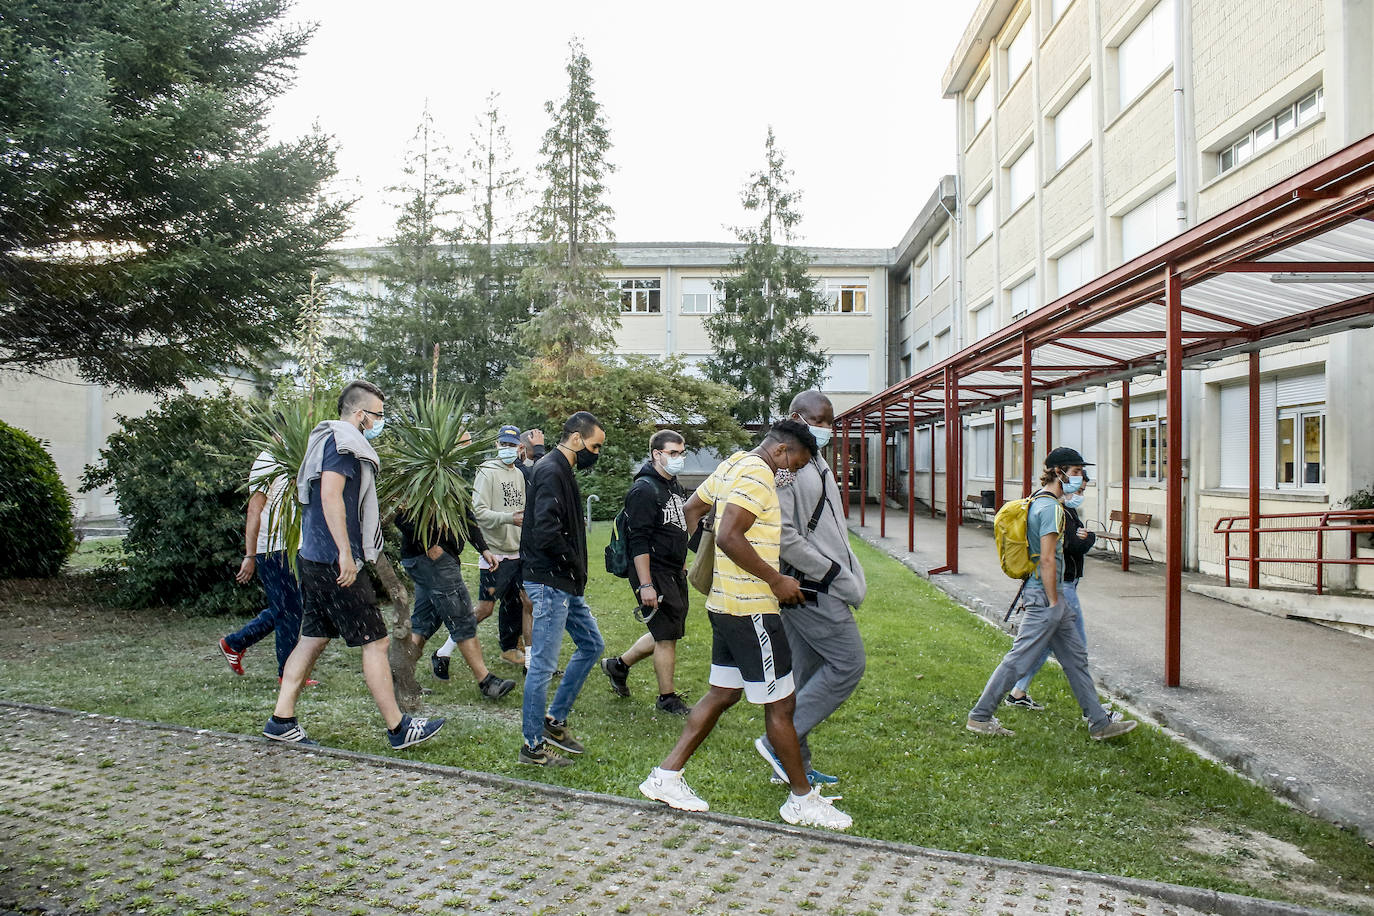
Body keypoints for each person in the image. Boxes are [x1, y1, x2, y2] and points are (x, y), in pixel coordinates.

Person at [638, 420, 853, 831]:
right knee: (781, 705)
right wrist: (776, 580)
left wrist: (682, 560)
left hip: (724, 604)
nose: (794, 473)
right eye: (798, 463)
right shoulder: (757, 473)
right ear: (782, 451)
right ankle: (802, 800)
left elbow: (692, 510)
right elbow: (729, 535)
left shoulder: (734, 463)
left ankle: (666, 776)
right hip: (751, 609)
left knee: (723, 693)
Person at [263, 380, 443, 750]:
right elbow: (330, 495)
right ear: (361, 414)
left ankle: (281, 720)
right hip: (334, 562)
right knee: (375, 642)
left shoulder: (330, 439)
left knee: (311, 639)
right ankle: (398, 728)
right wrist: (346, 553)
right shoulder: (343, 444)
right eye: (377, 414)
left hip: (313, 557)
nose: (380, 421)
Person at [966, 447, 1136, 742]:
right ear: (1058, 472)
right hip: (1046, 598)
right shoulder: (1050, 508)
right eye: (1076, 472)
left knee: (1076, 659)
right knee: (1019, 659)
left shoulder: (1039, 502)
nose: (1080, 478)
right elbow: (1046, 559)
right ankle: (980, 716)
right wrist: (1055, 601)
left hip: (1050, 597)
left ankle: (1099, 722)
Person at [755, 391, 867, 787]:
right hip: (812, 586)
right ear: (795, 417)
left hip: (816, 584)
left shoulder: (814, 460)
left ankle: (790, 762)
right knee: (848, 664)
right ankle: (776, 743)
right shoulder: (785, 464)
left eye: (830, 422)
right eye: (818, 421)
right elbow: (783, 536)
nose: (825, 430)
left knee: (804, 676)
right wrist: (833, 572)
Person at [517, 412, 607, 767]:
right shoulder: (553, 470)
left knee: (591, 644)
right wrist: (572, 562)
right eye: (594, 446)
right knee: (542, 665)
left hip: (564, 581)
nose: (596, 453)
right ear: (575, 438)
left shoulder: (557, 467)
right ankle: (532, 747)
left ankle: (554, 719)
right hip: (551, 581)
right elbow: (545, 529)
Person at [396, 451, 516, 700]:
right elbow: (401, 514)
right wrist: (427, 543)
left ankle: (398, 678)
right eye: (464, 443)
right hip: (432, 561)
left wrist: (483, 548)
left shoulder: (452, 474)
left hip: (436, 560)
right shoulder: (422, 472)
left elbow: (467, 517)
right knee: (461, 617)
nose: (467, 447)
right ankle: (486, 681)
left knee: (425, 621)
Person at [600, 430, 693, 716]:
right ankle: (667, 698)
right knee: (666, 637)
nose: (679, 458)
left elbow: (675, 527)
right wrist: (645, 584)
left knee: (667, 631)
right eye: (673, 453)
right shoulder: (643, 490)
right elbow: (637, 542)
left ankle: (618, 666)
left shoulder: (672, 485)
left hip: (673, 569)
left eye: (681, 453)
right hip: (653, 572)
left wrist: (680, 561)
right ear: (656, 454)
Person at [1004, 472, 1106, 715]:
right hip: (1060, 586)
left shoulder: (1060, 509)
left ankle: (1016, 693)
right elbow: (1067, 546)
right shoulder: (1054, 510)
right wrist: (1089, 537)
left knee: (1043, 646)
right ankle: (1094, 713)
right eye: (1079, 490)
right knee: (1075, 649)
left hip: (1057, 585)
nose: (1080, 495)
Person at [219, 445, 311, 684]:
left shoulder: (294, 457)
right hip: (273, 548)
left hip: (294, 545)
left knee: (290, 608)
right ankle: (287, 674)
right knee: (288, 610)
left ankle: (235, 643)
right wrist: (250, 555)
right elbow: (254, 509)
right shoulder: (267, 461)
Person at [471, 424, 532, 669]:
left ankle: (522, 655)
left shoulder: (518, 474)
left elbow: (522, 509)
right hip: (494, 552)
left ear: (519, 447)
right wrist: (509, 519)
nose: (506, 449)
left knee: (524, 602)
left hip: (517, 549)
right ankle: (448, 647)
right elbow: (479, 512)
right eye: (502, 444)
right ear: (497, 445)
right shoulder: (486, 472)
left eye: (511, 445)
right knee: (485, 608)